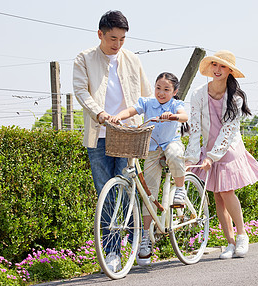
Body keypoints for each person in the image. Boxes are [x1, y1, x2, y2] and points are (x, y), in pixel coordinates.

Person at [73, 10, 152, 272]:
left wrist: (152, 121)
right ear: (100, 34)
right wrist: (101, 113)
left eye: (122, 39)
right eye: (112, 38)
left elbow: (146, 95)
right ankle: (112, 251)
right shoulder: (84, 58)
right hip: (99, 135)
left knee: (127, 191)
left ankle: (138, 241)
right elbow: (81, 90)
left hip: (128, 135)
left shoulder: (132, 60)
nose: (117, 44)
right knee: (105, 195)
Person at [185, 50, 258, 259]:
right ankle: (229, 242)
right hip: (209, 148)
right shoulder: (198, 94)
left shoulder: (235, 98)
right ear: (210, 68)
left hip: (228, 149)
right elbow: (193, 127)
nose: (217, 70)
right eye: (214, 65)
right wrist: (191, 159)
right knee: (217, 196)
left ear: (229, 71)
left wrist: (213, 156)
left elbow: (228, 131)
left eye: (222, 66)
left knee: (227, 192)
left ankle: (242, 235)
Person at [110, 72, 189, 266]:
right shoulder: (147, 102)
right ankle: (145, 237)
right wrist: (118, 117)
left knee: (175, 154)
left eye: (166, 89)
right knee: (148, 192)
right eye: (158, 88)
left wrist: (173, 116)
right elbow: (132, 110)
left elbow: (185, 116)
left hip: (171, 143)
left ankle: (180, 189)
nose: (161, 93)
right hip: (151, 148)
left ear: (175, 91)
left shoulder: (175, 104)